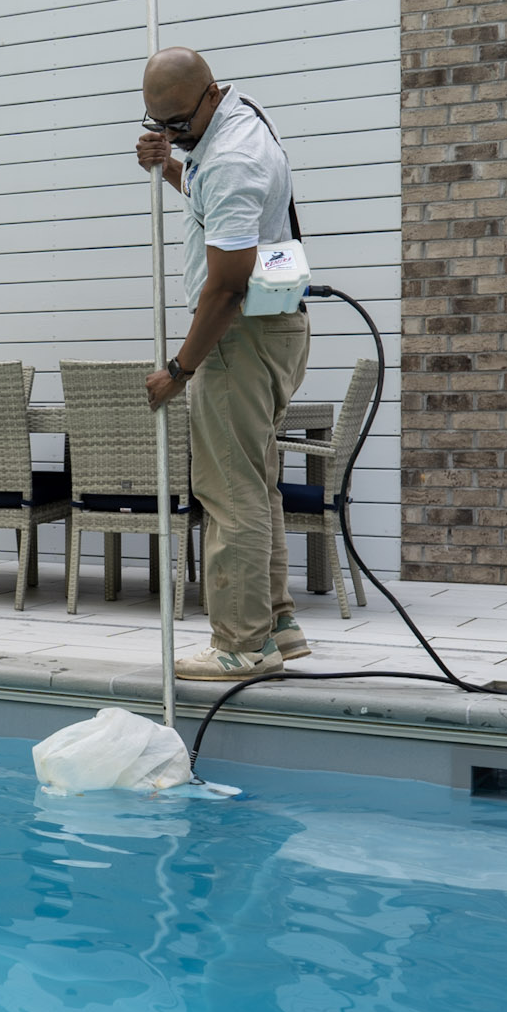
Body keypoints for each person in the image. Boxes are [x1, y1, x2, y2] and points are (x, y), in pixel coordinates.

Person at [135, 47, 311, 681]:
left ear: (209, 94)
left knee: (229, 492)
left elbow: (227, 286)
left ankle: (241, 644)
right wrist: (168, 164)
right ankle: (277, 625)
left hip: (239, 337)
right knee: (253, 483)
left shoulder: (233, 157)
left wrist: (180, 369)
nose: (171, 133)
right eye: (157, 124)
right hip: (272, 328)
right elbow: (210, 197)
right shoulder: (237, 118)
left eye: (178, 124)